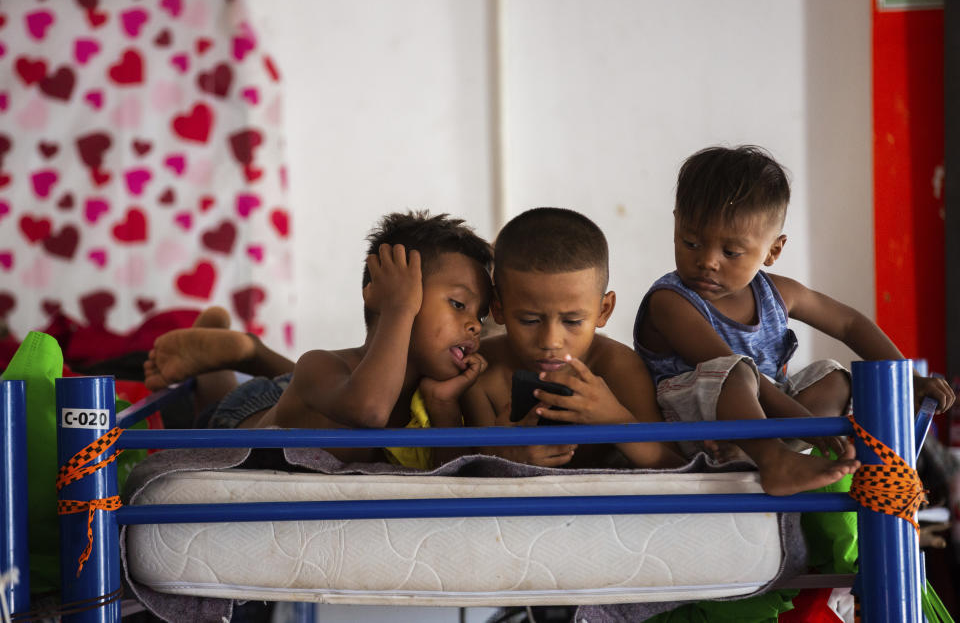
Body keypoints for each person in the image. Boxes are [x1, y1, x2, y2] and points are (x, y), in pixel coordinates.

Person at [633, 145, 956, 495]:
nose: (707, 261)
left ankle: (760, 452)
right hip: (699, 430)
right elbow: (740, 373)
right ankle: (774, 460)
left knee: (835, 379)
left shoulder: (778, 294)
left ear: (773, 250)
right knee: (736, 371)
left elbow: (848, 323)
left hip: (770, 423)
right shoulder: (671, 302)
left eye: (730, 252)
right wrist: (807, 424)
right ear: (676, 223)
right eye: (691, 242)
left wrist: (908, 377)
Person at [144, 210, 494, 468]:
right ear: (380, 294)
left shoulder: (437, 394)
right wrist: (398, 308)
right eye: (458, 304)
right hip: (250, 414)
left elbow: (448, 479)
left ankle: (251, 351)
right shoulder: (321, 363)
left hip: (317, 395)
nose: (475, 325)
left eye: (479, 315)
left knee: (308, 391)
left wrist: (443, 408)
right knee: (217, 398)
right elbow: (369, 410)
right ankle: (235, 351)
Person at [462, 207, 684, 469]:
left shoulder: (616, 367)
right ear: (497, 307)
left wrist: (615, 420)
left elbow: (674, 468)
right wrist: (508, 460)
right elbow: (468, 476)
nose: (551, 341)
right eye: (530, 320)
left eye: (572, 321)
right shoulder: (480, 371)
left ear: (604, 310)